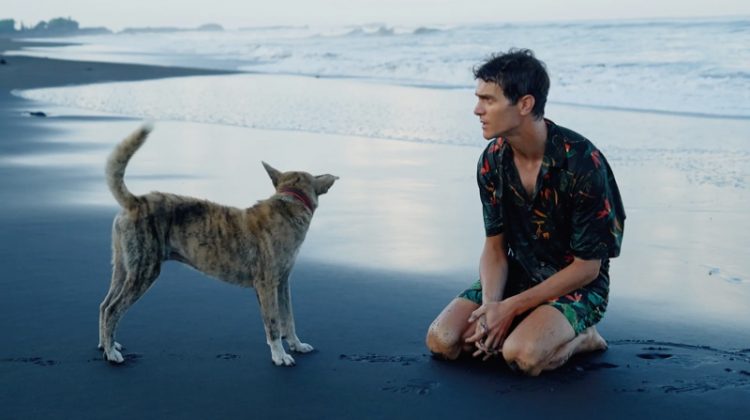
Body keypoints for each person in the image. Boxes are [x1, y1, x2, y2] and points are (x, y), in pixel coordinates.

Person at [425, 49, 625, 376]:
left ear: (525, 104)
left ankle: (584, 338)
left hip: (577, 285)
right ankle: (522, 320)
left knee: (522, 356)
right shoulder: (492, 160)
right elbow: (494, 248)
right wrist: (492, 305)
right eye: (478, 99)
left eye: (488, 100)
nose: (477, 110)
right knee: (443, 341)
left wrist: (511, 307)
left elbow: (588, 269)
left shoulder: (582, 164)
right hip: (520, 273)